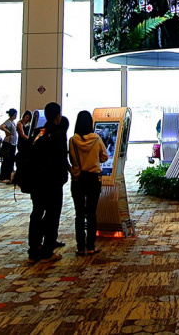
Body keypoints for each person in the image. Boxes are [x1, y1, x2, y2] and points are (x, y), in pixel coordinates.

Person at [27, 102, 69, 263]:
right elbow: (61, 158)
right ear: (58, 116)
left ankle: (33, 249)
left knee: (37, 213)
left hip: (36, 180)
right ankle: (47, 251)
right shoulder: (58, 133)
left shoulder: (38, 132)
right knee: (52, 215)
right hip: (52, 181)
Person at [69, 110, 108, 256]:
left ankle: (80, 247)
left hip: (78, 179)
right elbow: (104, 157)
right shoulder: (96, 139)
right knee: (91, 213)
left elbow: (72, 159)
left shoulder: (73, 140)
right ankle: (91, 246)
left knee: (79, 214)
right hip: (93, 179)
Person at [0, 109, 18, 183]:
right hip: (8, 143)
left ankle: (9, 176)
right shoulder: (9, 122)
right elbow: (1, 126)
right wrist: (7, 131)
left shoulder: (13, 122)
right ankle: (3, 177)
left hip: (13, 143)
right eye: (15, 115)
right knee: (7, 160)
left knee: (10, 160)